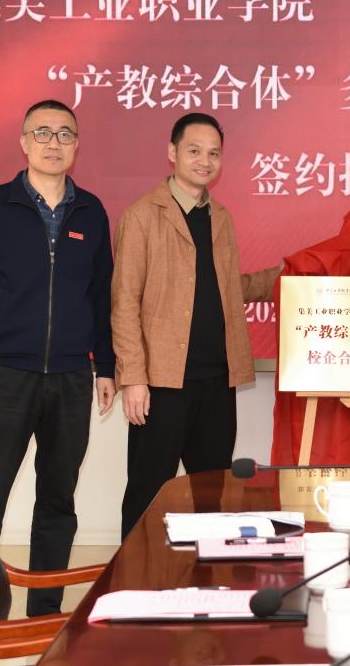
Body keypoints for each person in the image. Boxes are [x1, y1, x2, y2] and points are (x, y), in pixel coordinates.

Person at [0, 98, 115, 616]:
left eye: (65, 134)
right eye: (42, 132)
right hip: (7, 375)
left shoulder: (91, 212)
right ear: (23, 142)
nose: (53, 143)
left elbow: (101, 298)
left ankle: (45, 614)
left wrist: (106, 367)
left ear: (76, 146)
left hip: (71, 377)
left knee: (58, 503)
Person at [112, 112, 279, 537]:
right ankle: (135, 577)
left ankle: (206, 577)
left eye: (213, 154)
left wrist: (287, 276)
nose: (205, 161)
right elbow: (124, 301)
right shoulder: (141, 216)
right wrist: (134, 378)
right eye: (194, 151)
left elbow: (226, 287)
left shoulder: (220, 217)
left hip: (217, 381)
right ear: (172, 153)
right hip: (162, 382)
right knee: (148, 495)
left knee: (213, 496)